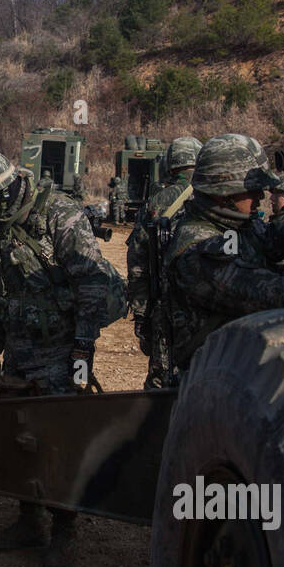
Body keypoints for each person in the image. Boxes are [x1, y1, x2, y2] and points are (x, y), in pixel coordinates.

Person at [0, 149, 124, 567]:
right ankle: (28, 518)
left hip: (61, 347)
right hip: (18, 346)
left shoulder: (59, 215)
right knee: (18, 431)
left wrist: (83, 348)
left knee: (57, 437)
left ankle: (64, 527)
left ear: (4, 189)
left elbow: (90, 281)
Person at [164, 134, 284, 372]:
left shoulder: (236, 223)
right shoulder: (199, 251)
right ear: (223, 192)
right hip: (217, 380)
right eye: (252, 190)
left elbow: (274, 240)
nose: (261, 197)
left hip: (244, 363)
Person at [126, 136, 201, 386]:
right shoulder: (214, 195)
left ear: (170, 164)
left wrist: (140, 313)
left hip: (166, 311)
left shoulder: (157, 202)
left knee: (162, 383)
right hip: (210, 311)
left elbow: (137, 263)